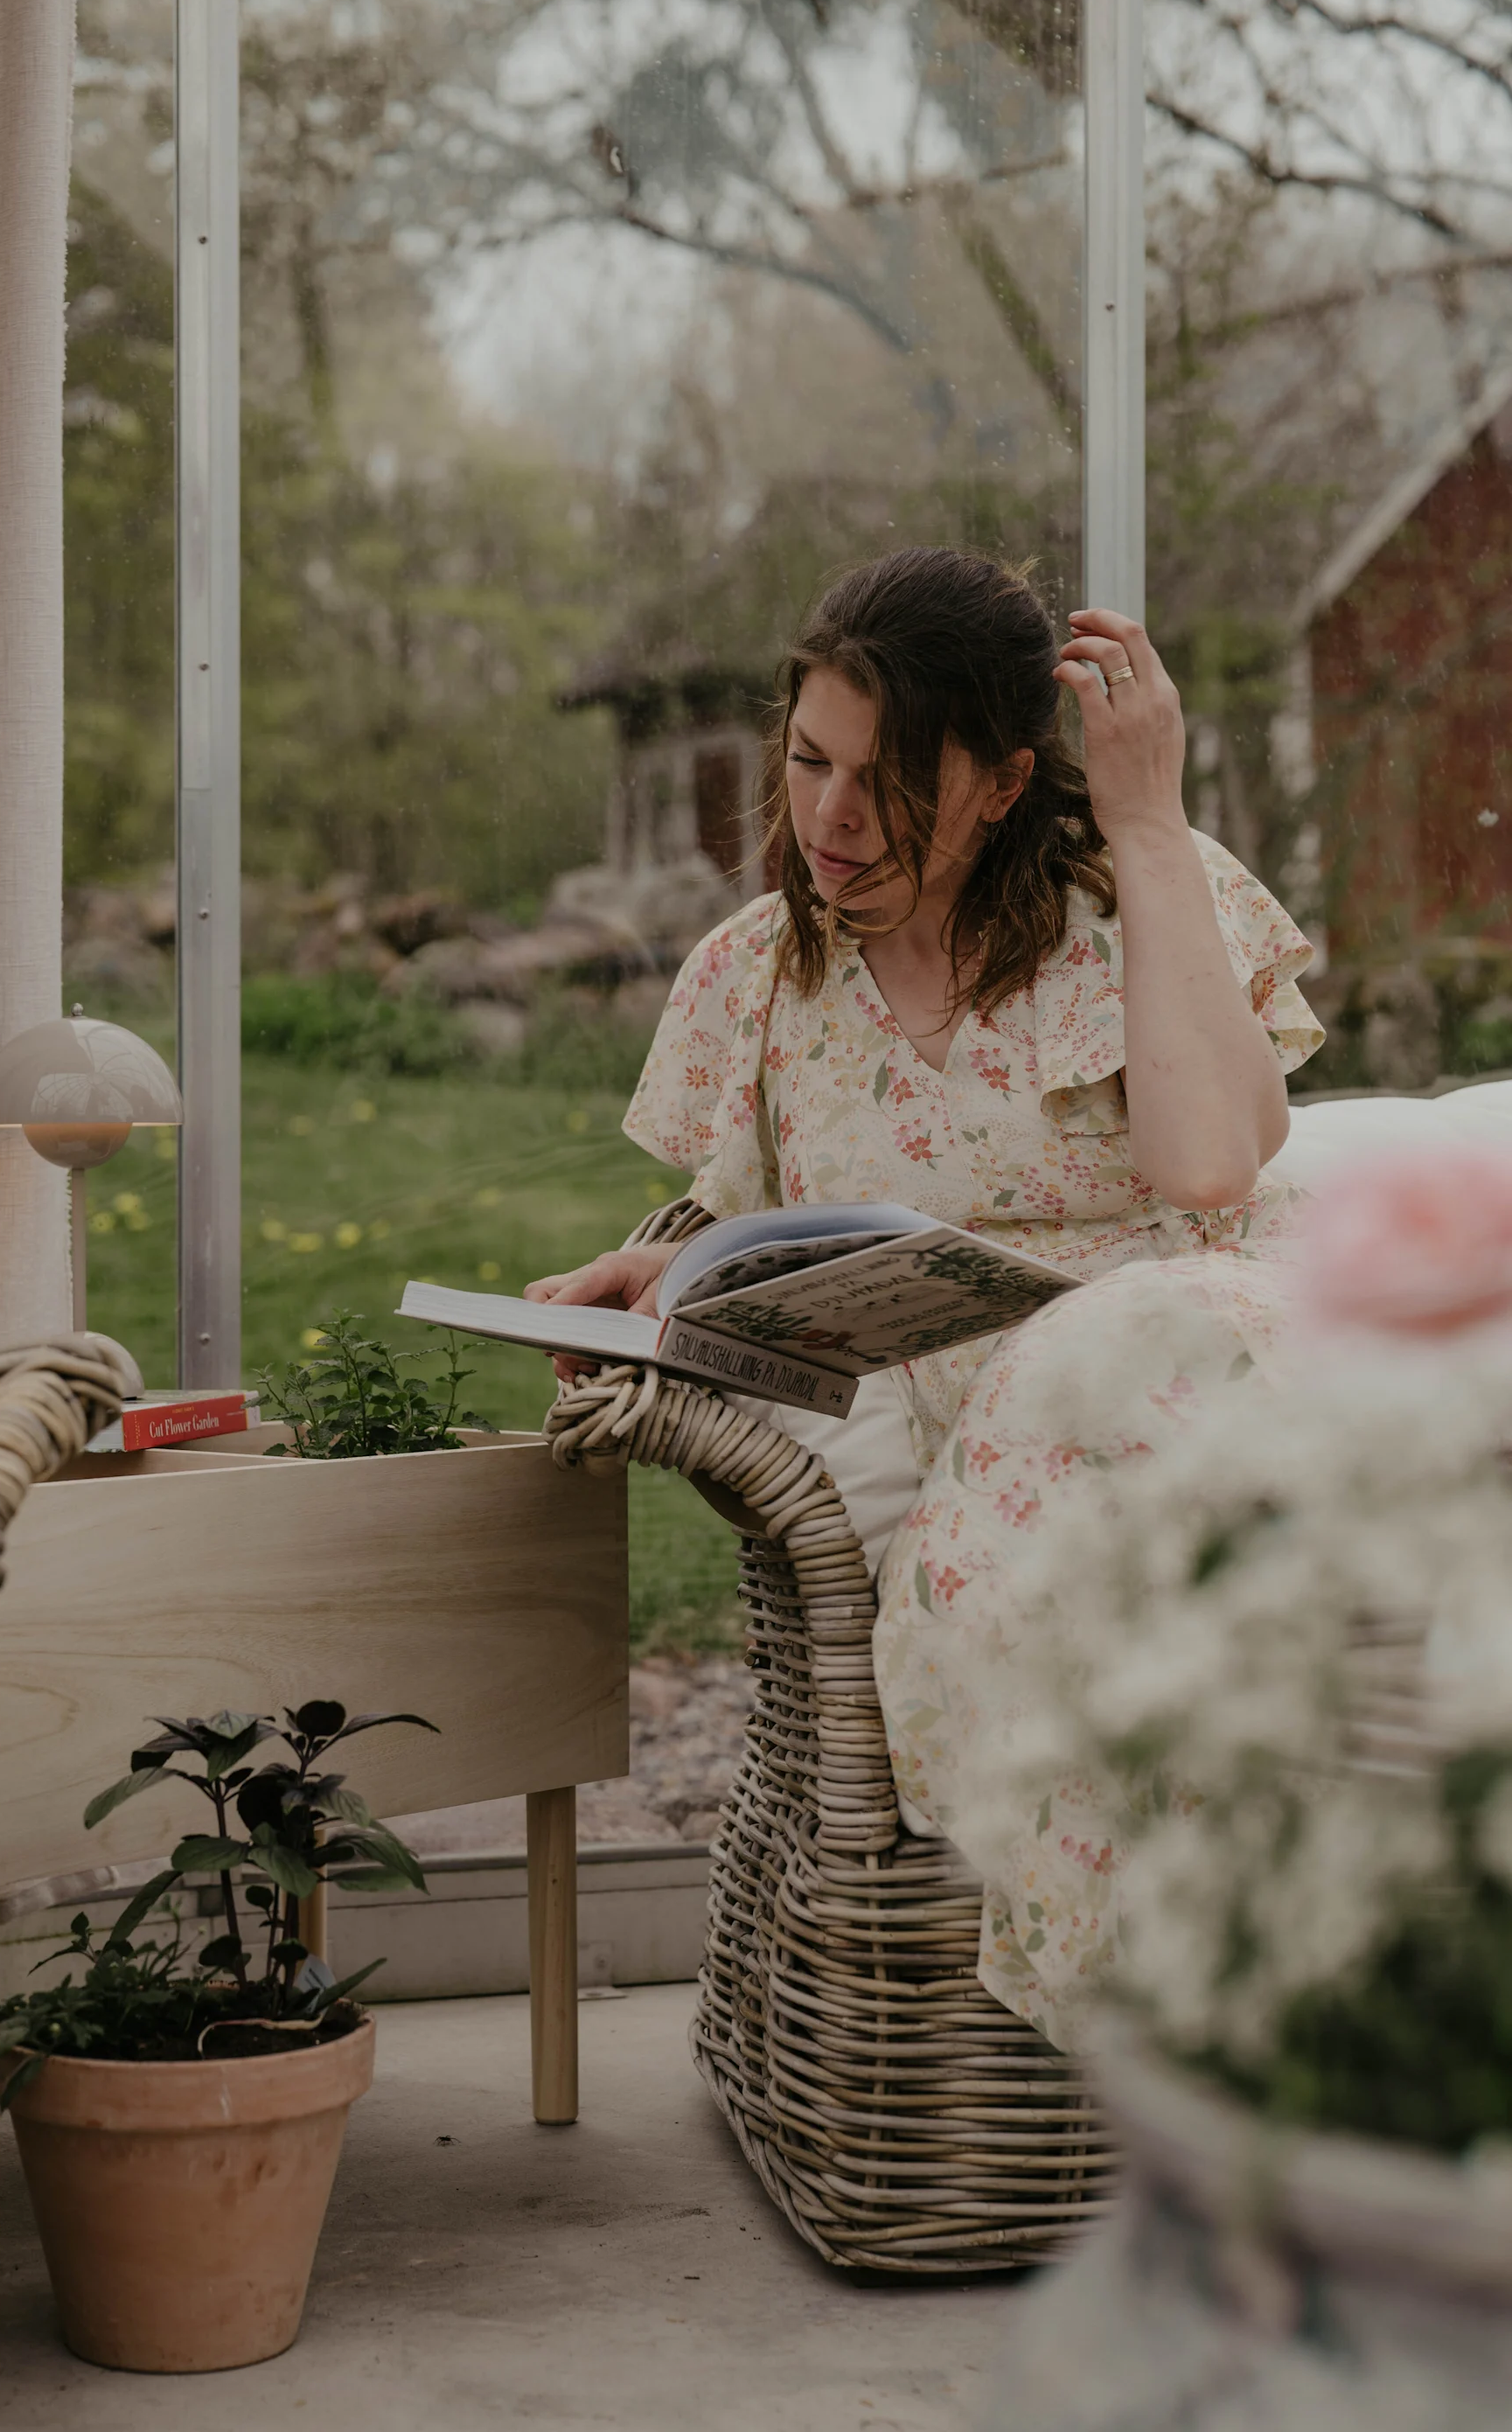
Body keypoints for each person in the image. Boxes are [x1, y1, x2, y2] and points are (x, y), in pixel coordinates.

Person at [527, 546, 1324, 2045]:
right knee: (987, 1559)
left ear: (1006, 784)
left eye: (886, 781)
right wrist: (686, 1265)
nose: (829, 816)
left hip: (1192, 1359)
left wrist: (1150, 821)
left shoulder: (1141, 897)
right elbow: (782, 1222)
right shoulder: (757, 978)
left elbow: (1212, 1168)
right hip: (981, 1412)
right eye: (809, 760)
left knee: (1111, 1417)